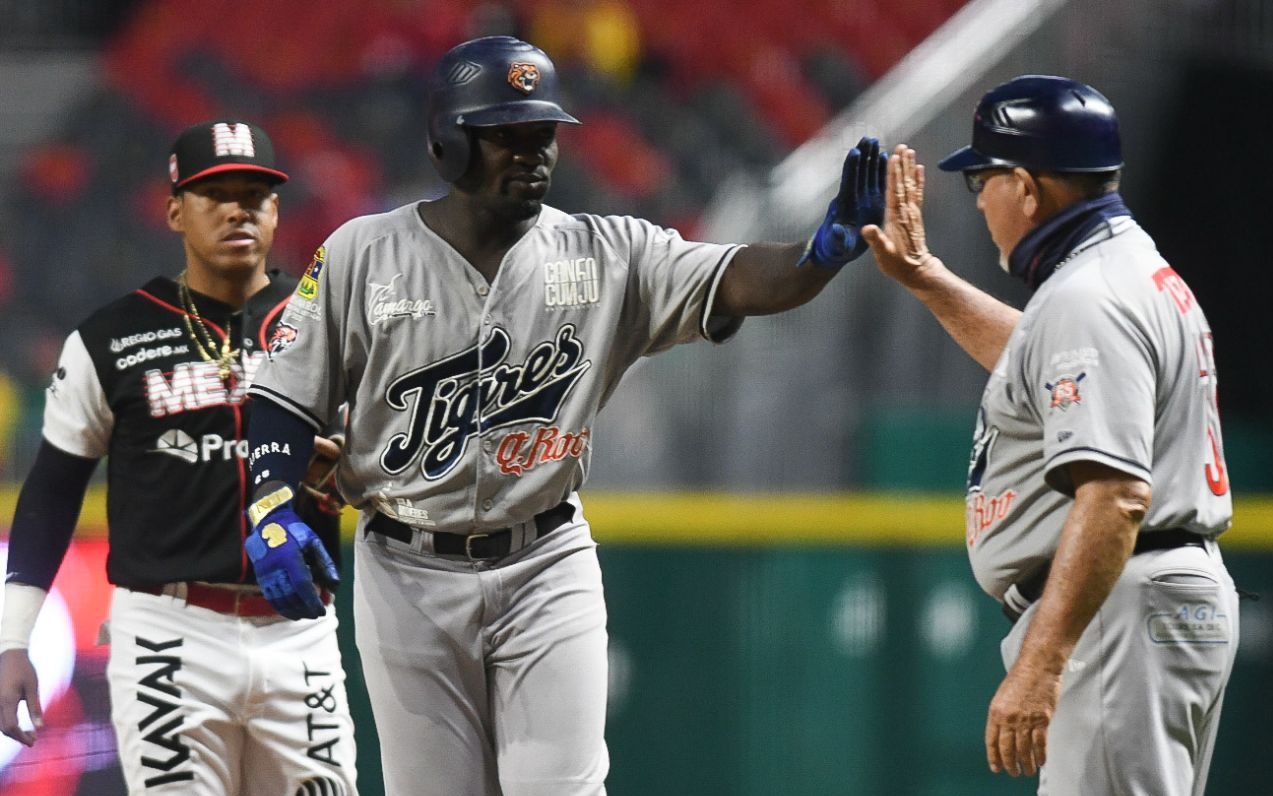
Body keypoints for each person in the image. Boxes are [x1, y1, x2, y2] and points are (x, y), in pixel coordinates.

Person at [239, 35, 885, 796]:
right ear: (449, 140)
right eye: (505, 136)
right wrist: (271, 508)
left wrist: (815, 255)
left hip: (544, 562)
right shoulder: (363, 253)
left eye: (540, 133)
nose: (531, 153)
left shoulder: (607, 252)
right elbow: (283, 395)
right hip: (405, 566)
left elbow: (736, 277)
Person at [862, 74, 1239, 794]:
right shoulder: (1125, 272)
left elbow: (1116, 495)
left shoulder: (1087, 296)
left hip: (1119, 604)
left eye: (983, 182)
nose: (978, 203)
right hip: (1155, 597)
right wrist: (925, 278)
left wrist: (1041, 662)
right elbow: (1040, 363)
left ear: (1027, 190)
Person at [0, 119, 360, 795]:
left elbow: (378, 470)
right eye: (213, 194)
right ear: (174, 210)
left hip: (298, 629)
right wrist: (12, 639)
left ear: (277, 210)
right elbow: (53, 489)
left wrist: (347, 472)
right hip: (168, 632)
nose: (237, 209)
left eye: (255, 194)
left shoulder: (326, 327)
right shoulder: (112, 337)